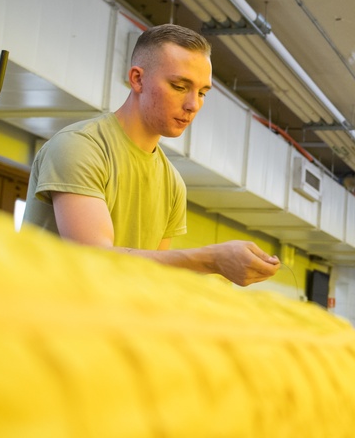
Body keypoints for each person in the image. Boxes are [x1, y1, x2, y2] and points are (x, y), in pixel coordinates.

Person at [22, 24, 280, 286]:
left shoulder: (172, 183)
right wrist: (211, 259)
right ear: (137, 79)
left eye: (202, 93)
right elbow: (94, 258)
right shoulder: (80, 147)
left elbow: (152, 275)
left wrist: (214, 273)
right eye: (180, 86)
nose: (193, 105)